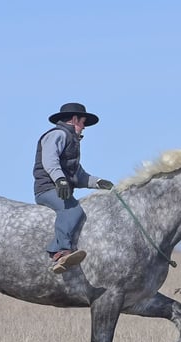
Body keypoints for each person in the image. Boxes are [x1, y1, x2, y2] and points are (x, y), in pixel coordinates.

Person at [33, 102, 114, 273]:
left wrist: (99, 182)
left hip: (59, 188)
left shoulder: (71, 141)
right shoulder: (57, 135)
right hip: (47, 189)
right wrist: (60, 180)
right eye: (83, 122)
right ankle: (60, 252)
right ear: (75, 119)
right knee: (73, 210)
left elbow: (79, 176)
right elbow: (50, 161)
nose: (84, 127)